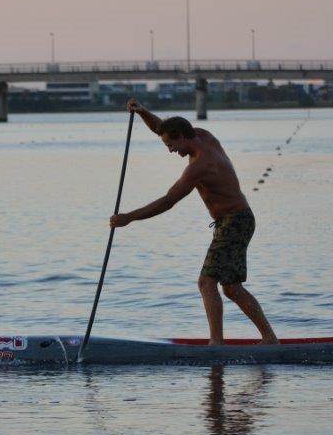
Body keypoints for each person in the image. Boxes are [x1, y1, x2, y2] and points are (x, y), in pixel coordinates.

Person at [110, 99, 279, 345]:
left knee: (206, 282)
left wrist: (129, 217)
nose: (170, 151)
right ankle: (270, 340)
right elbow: (162, 127)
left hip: (234, 222)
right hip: (238, 220)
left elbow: (169, 201)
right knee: (231, 288)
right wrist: (143, 112)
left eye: (170, 145)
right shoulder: (202, 135)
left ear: (182, 137)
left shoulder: (200, 165)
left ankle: (216, 344)